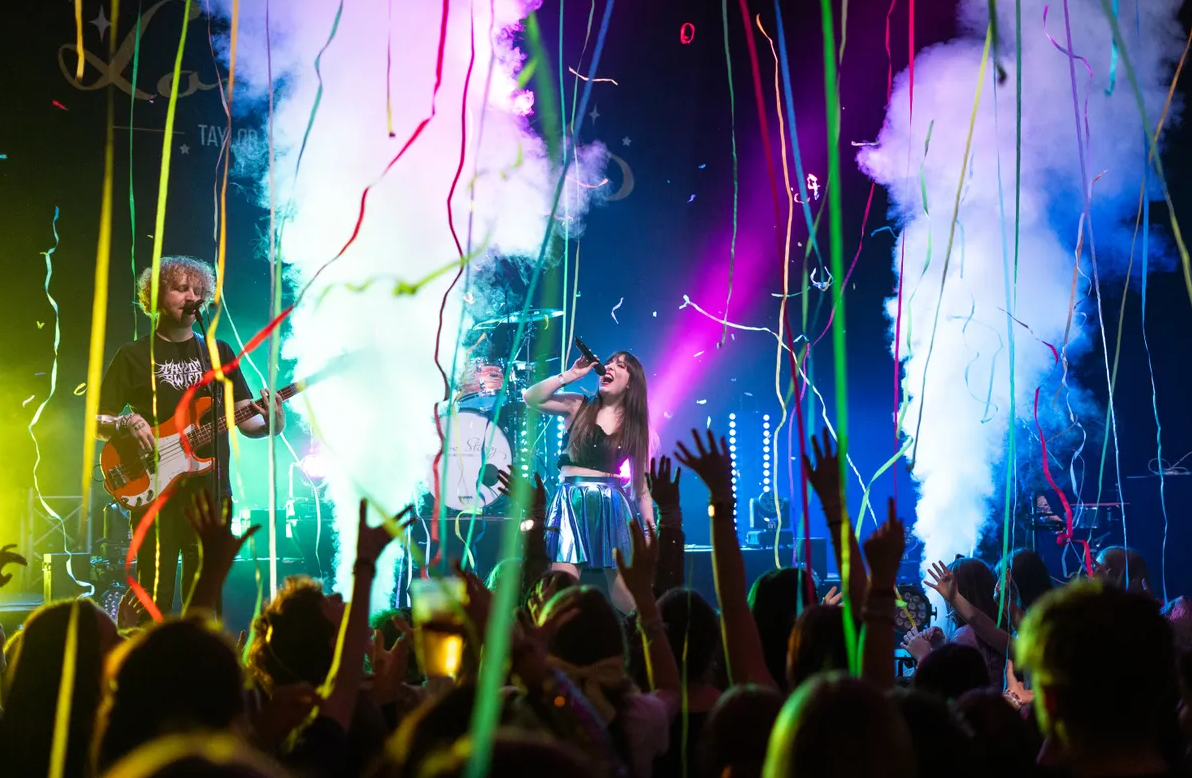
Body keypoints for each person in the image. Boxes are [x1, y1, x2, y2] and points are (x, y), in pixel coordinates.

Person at [96, 256, 286, 614]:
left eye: (198, 290)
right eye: (181, 288)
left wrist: (273, 424)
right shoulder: (132, 355)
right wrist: (125, 422)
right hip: (154, 489)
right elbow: (96, 420)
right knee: (155, 596)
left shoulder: (219, 352)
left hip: (211, 493)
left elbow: (247, 422)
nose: (192, 297)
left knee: (206, 599)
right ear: (154, 296)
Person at [522, 351, 655, 613]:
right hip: (570, 502)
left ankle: (647, 632)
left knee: (627, 596)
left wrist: (651, 534)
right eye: (609, 363)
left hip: (613, 505)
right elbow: (531, 397)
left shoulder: (636, 427)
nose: (610, 367)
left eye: (620, 366)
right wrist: (570, 375)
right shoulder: (578, 405)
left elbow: (641, 489)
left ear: (631, 382)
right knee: (560, 591)